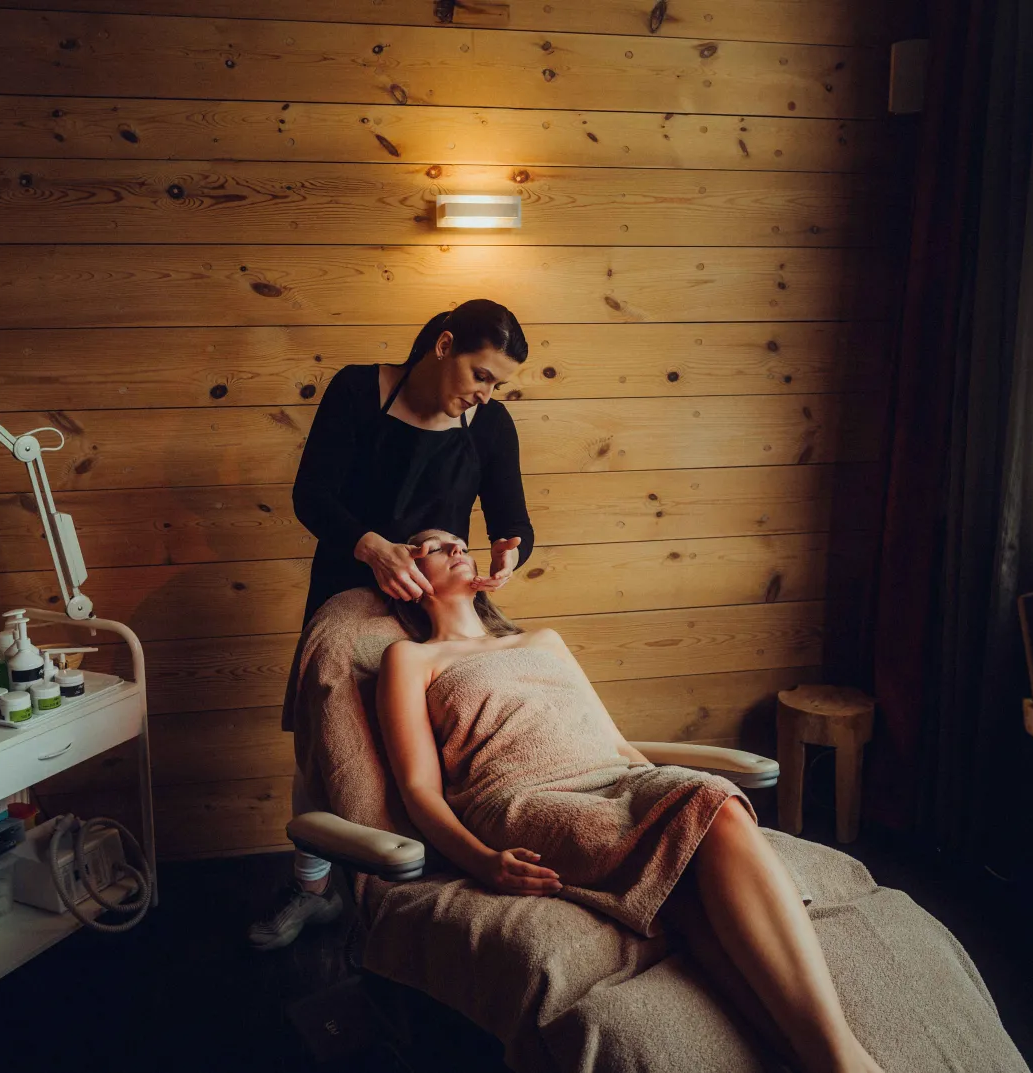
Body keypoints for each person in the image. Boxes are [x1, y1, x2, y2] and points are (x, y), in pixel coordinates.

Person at [373, 529, 887, 1073]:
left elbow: (616, 744)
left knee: (710, 830)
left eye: (461, 542)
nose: (459, 549)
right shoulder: (409, 658)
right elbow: (420, 789)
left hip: (611, 778)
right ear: (405, 577)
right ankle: (848, 1063)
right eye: (435, 546)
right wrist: (480, 861)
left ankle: (823, 1059)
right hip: (524, 799)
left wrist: (663, 794)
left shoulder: (542, 641)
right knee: (703, 810)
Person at [249, 300, 536, 951]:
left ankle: (435, 870)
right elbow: (311, 496)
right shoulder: (357, 392)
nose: (485, 393)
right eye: (481, 374)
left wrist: (511, 548)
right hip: (350, 587)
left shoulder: (488, 424)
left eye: (497, 384)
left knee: (444, 736)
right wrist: (371, 546)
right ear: (442, 345)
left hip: (433, 600)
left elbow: (512, 517)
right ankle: (311, 888)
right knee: (325, 740)